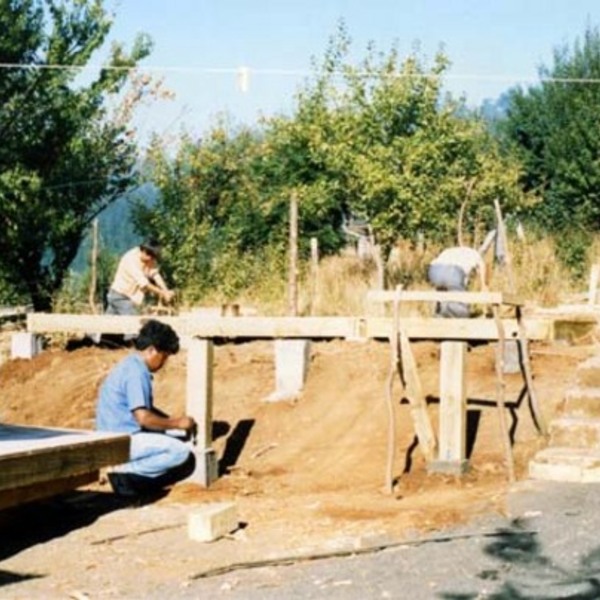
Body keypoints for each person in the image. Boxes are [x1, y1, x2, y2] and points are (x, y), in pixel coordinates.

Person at [96, 319, 197, 497]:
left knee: (175, 437)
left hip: (115, 435)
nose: (164, 362)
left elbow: (143, 409)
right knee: (180, 452)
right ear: (151, 350)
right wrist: (178, 423)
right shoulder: (137, 373)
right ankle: (124, 474)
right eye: (164, 356)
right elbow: (143, 418)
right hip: (122, 439)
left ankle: (129, 475)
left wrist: (172, 423)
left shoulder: (130, 365)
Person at [105, 240, 175, 317]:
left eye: (153, 257)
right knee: (133, 321)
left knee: (107, 324)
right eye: (149, 256)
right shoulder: (130, 260)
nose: (150, 259)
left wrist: (166, 290)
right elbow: (145, 284)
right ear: (143, 251)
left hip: (127, 296)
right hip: (120, 296)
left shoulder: (150, 257)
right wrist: (162, 293)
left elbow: (155, 274)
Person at [427, 246, 487, 318]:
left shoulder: (448, 250)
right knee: (459, 302)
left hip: (434, 270)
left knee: (443, 296)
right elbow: (481, 265)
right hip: (453, 271)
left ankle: (440, 314)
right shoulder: (475, 254)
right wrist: (483, 284)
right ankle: (460, 319)